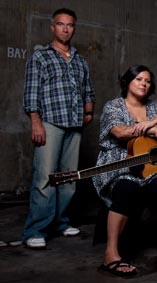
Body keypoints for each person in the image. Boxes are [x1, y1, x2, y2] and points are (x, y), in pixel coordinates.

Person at [92, 65, 157, 278]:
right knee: (126, 188)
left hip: (149, 166)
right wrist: (154, 130)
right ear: (128, 82)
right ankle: (111, 254)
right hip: (119, 164)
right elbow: (119, 132)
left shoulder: (155, 107)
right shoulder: (114, 106)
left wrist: (154, 121)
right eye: (138, 79)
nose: (143, 83)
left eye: (147, 81)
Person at [22, 8, 95, 249]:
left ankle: (62, 223)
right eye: (61, 24)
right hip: (50, 123)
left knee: (68, 179)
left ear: (74, 28)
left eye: (70, 25)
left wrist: (88, 112)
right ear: (52, 27)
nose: (66, 28)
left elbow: (88, 89)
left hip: (75, 125)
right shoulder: (41, 57)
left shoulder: (80, 60)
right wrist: (36, 122)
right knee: (45, 178)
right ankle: (37, 230)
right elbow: (32, 91)